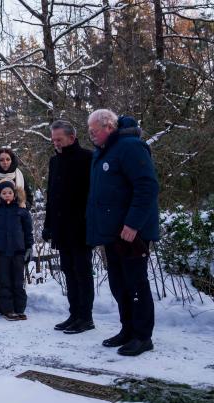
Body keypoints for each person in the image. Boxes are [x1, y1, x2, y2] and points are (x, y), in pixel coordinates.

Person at [86, 109, 159, 356]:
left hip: (131, 233)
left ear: (108, 127)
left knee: (135, 283)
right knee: (119, 284)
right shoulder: (105, 151)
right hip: (112, 233)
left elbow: (147, 186)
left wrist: (133, 223)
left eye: (93, 131)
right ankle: (127, 329)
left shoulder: (130, 147)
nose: (91, 136)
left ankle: (142, 336)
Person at [42, 120, 95, 334]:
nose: (55, 143)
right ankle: (74, 314)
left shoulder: (88, 158)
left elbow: (93, 195)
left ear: (71, 138)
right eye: (53, 140)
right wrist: (48, 225)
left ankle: (86, 317)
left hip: (81, 227)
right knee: (68, 271)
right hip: (61, 228)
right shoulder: (54, 162)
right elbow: (51, 196)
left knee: (82, 272)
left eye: (59, 139)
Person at [0, 181, 34, 321]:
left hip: (18, 251)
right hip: (0, 252)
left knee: (18, 281)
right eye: (4, 193)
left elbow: (28, 231)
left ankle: (19, 308)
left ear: (14, 193)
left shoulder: (21, 210)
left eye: (10, 192)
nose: (7, 195)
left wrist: (29, 247)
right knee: (4, 281)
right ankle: (8, 309)